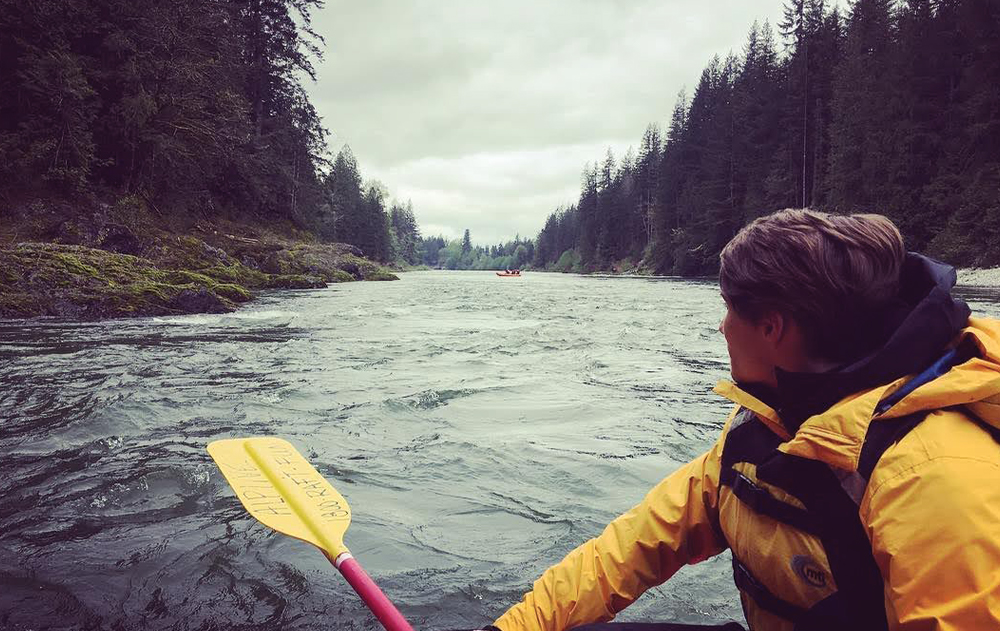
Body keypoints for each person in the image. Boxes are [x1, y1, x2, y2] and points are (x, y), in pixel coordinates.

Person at [482, 209, 1000, 631]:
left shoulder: (934, 474)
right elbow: (630, 548)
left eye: (729, 309)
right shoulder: (769, 422)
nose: (721, 326)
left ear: (772, 328)